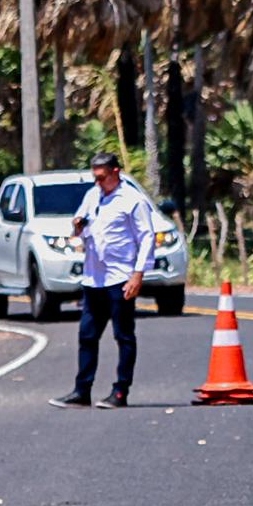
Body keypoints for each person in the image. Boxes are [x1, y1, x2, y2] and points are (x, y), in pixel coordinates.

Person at [63, 149, 164, 407]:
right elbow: (82, 230)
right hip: (93, 278)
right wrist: (78, 227)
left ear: (115, 173)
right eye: (95, 177)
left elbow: (146, 237)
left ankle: (121, 391)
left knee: (123, 336)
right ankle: (81, 390)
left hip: (120, 277)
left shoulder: (132, 200)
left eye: (102, 177)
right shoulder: (92, 196)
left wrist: (138, 274)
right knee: (87, 336)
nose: (98, 182)